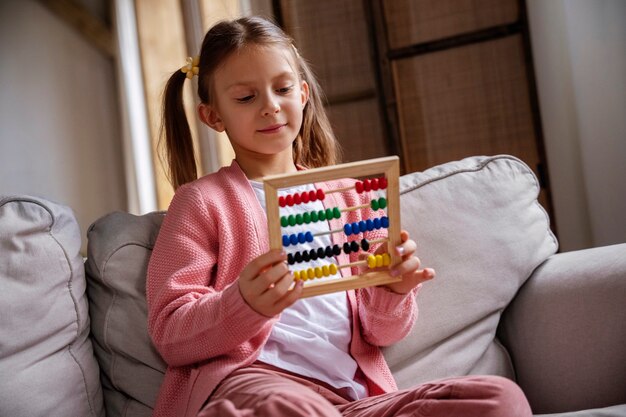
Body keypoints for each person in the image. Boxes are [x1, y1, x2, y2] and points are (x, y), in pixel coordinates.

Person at [147, 15, 532, 417]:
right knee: (286, 406)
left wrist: (393, 290)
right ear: (213, 116)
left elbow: (382, 332)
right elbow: (171, 333)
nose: (271, 107)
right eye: (246, 98)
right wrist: (243, 302)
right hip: (257, 383)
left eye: (282, 89)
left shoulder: (348, 198)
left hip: (351, 399)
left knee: (498, 399)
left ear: (304, 93)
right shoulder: (201, 202)